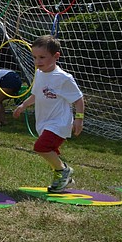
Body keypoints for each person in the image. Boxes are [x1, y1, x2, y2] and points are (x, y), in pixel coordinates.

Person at [13, 35, 85, 193]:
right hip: (44, 122)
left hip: (59, 123)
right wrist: (23, 105)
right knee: (48, 150)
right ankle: (65, 177)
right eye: (34, 57)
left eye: (42, 57)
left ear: (56, 56)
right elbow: (36, 94)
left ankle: (63, 171)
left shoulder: (63, 78)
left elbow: (78, 99)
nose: (37, 61)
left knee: (41, 147)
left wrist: (79, 119)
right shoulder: (39, 73)